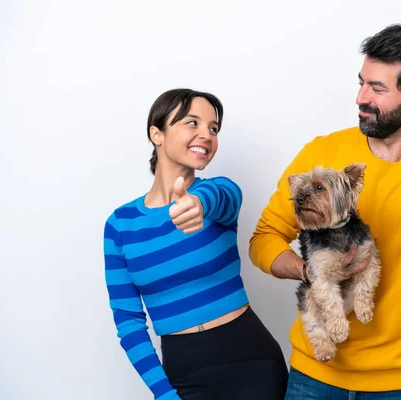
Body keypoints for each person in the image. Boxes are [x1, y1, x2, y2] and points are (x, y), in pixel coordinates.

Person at [248, 23, 401, 399]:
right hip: (316, 374)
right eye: (362, 82)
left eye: (377, 88)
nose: (360, 97)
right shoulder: (323, 152)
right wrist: (312, 272)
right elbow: (264, 239)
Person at [103, 88, 288, 400]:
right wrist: (163, 393)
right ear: (156, 133)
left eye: (213, 128)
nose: (207, 135)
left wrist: (199, 204)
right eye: (193, 123)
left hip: (252, 361)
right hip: (183, 374)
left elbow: (222, 197)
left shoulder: (218, 193)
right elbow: (129, 321)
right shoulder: (120, 225)